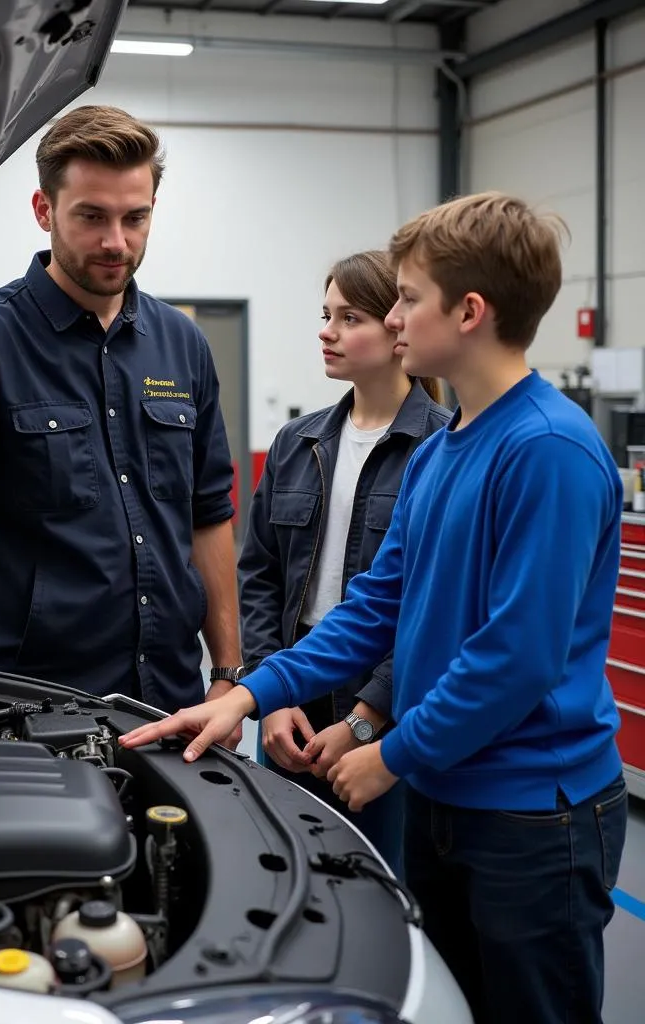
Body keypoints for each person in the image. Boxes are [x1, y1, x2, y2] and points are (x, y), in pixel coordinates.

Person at [119, 191, 629, 1024]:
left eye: (407, 298)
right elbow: (370, 611)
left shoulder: (548, 451)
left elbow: (517, 658)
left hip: (535, 816)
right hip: (445, 792)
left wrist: (388, 754)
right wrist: (247, 695)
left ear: (468, 312)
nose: (393, 318)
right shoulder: (444, 451)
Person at [0, 105, 243, 753]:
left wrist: (228, 675)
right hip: (29, 706)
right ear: (44, 210)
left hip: (171, 698)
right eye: (91, 216)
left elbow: (208, 515)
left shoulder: (183, 344)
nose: (116, 242)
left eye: (136, 217)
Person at [239, 249, 450, 877]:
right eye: (325, 314)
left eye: (348, 317)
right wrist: (269, 693)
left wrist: (369, 718)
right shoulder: (296, 443)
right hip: (295, 685)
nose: (326, 332)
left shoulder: (440, 448)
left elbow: (422, 605)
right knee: (287, 870)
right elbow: (258, 575)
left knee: (377, 880)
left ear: (397, 328)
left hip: (388, 694)